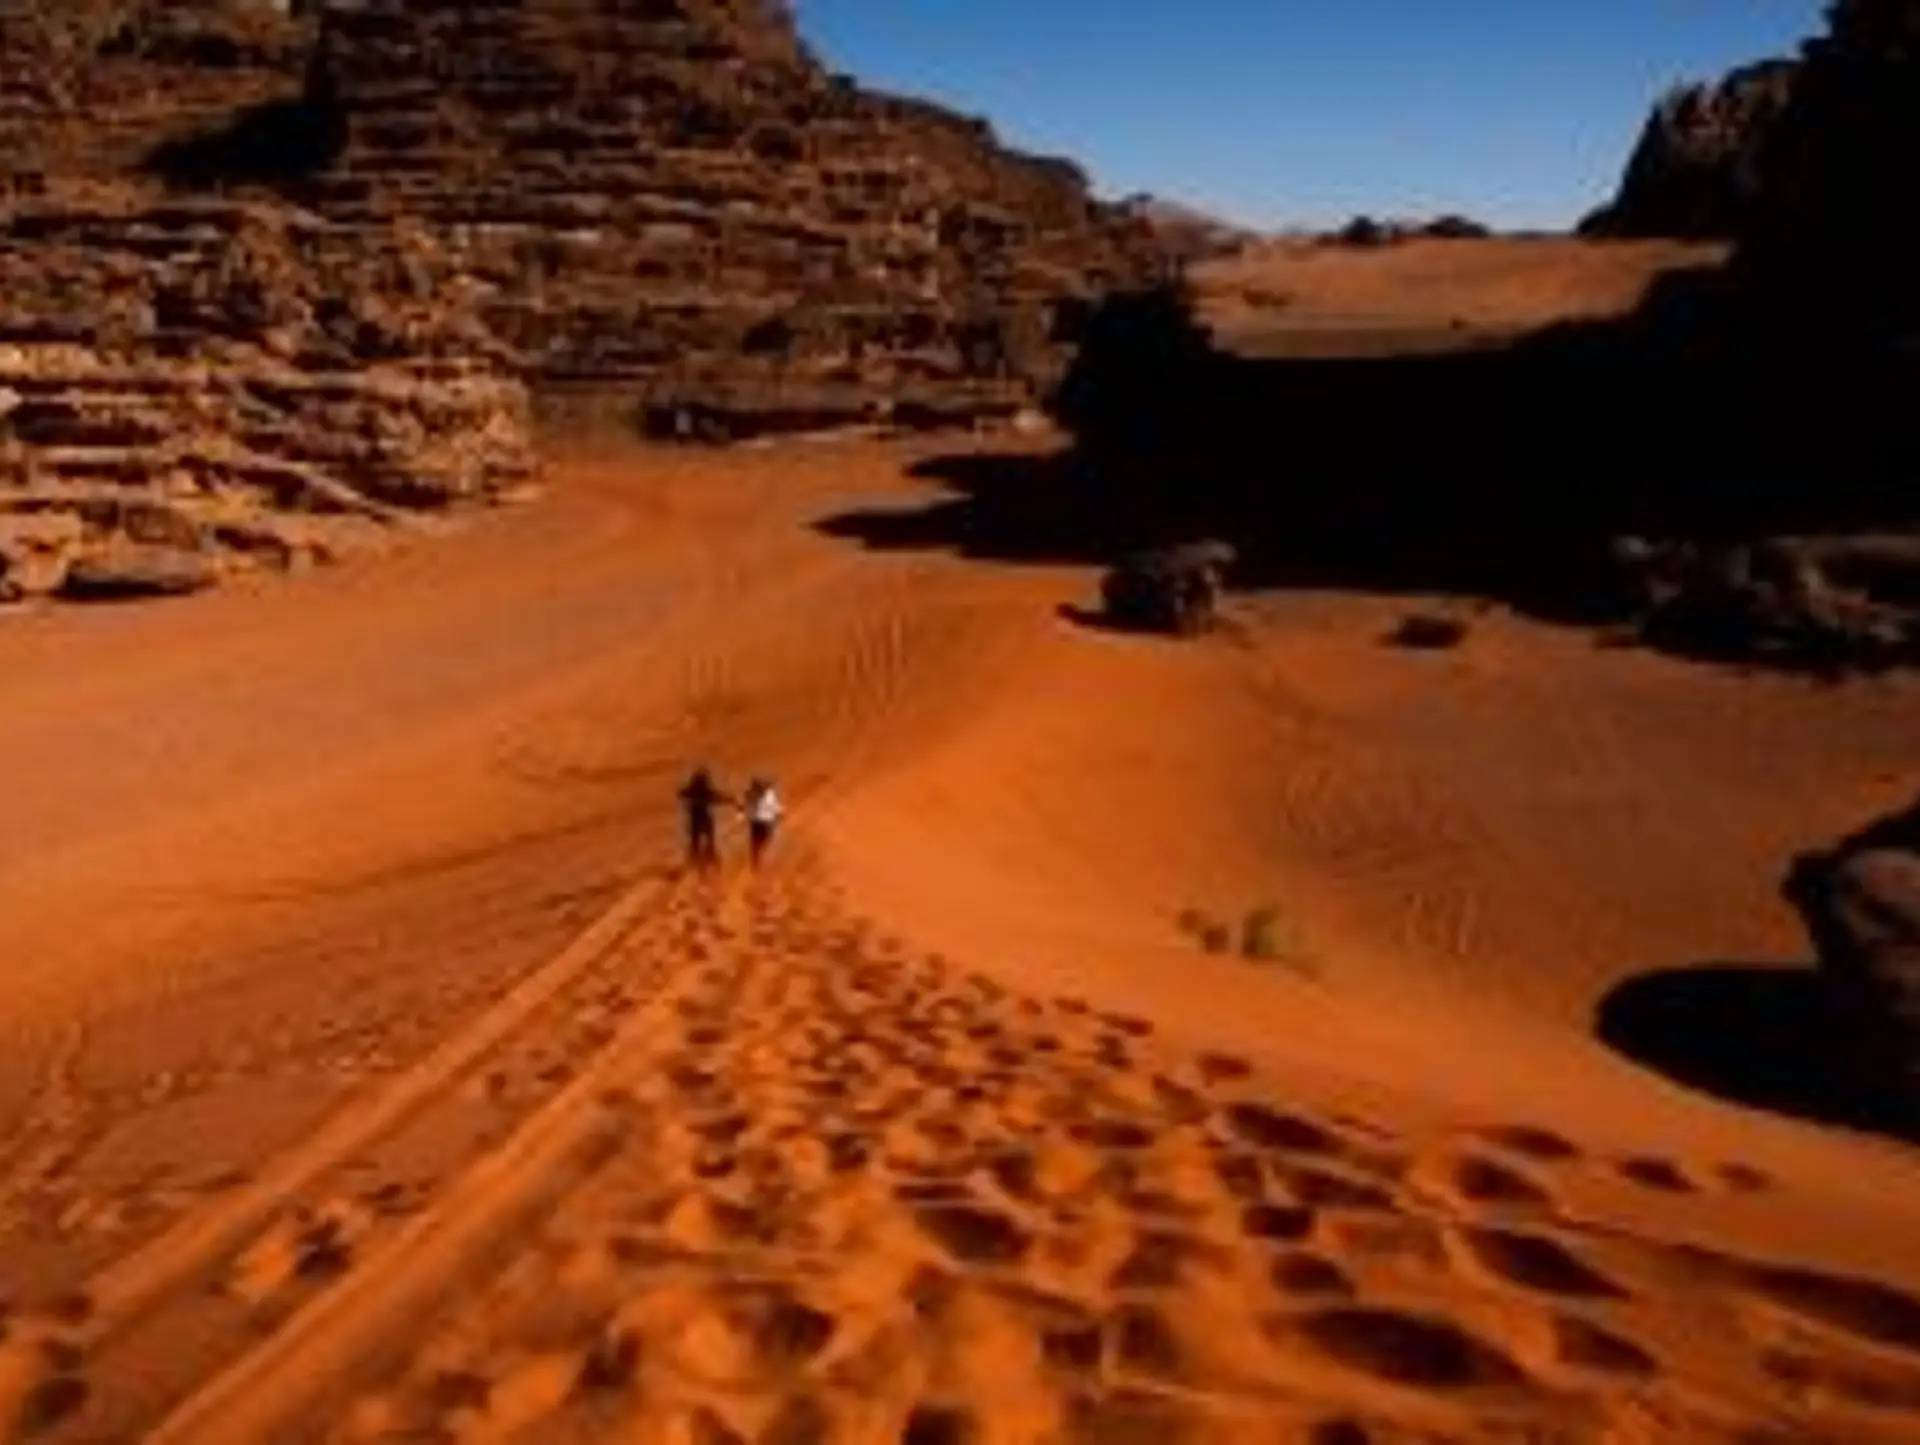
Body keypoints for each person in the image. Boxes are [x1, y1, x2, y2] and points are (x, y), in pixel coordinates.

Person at [678, 767, 729, 871]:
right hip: (705, 818)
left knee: (696, 841)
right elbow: (719, 798)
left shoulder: (692, 791)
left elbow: (681, 794)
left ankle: (696, 860)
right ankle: (710, 859)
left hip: (695, 818)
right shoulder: (706, 791)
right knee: (707, 840)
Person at [742, 775, 784, 869]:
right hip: (762, 823)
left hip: (757, 823)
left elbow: (745, 806)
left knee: (756, 845)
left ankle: (757, 864)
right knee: (763, 843)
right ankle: (761, 863)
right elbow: (775, 807)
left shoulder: (750, 794)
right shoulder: (768, 794)